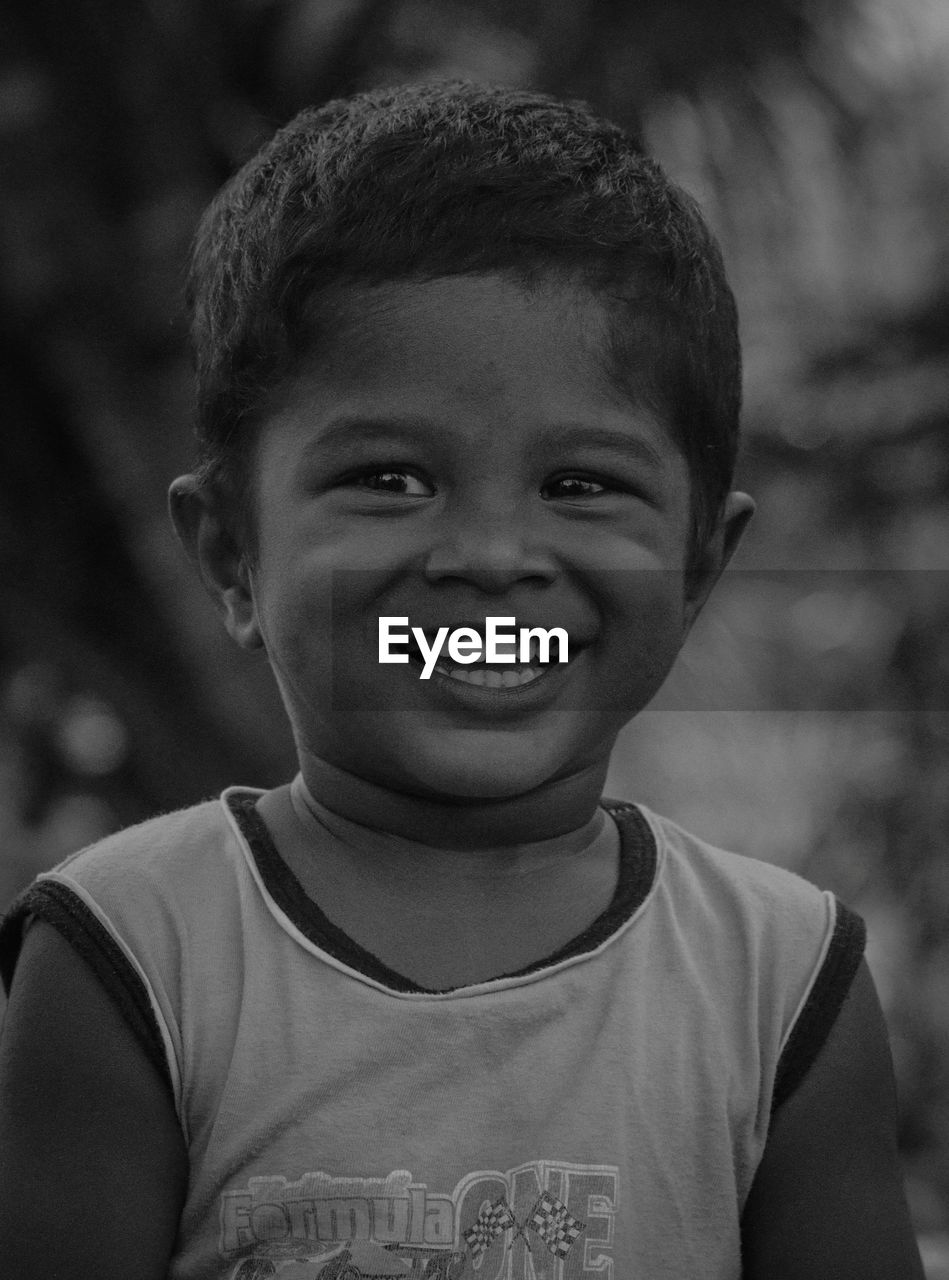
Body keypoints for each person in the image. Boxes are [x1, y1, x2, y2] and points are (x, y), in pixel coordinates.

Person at [0, 81, 923, 1280]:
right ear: (233, 552)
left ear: (699, 565)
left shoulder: (779, 978)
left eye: (580, 485)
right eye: (390, 478)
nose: (490, 557)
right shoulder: (133, 951)